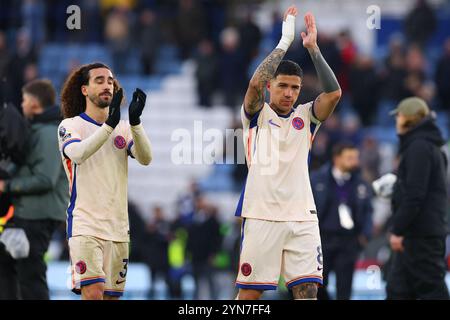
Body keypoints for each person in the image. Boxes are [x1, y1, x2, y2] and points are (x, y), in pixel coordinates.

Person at [234, 6, 341, 300]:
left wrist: (314, 50)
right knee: (250, 296)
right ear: (271, 87)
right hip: (261, 215)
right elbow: (254, 84)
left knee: (308, 292)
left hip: (303, 216)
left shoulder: (307, 117)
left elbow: (333, 94)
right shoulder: (256, 114)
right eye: (282, 86)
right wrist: (283, 43)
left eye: (295, 88)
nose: (289, 93)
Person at [58, 62, 152, 300]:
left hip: (118, 229)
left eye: (110, 81)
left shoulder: (123, 128)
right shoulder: (70, 126)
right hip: (85, 225)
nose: (107, 85)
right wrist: (109, 126)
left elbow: (146, 158)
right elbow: (78, 153)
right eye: (99, 80)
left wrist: (136, 123)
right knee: (93, 293)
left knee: (110, 297)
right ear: (84, 90)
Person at [0, 79, 68, 299]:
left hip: (37, 216)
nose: (21, 104)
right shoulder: (37, 129)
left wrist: (8, 185)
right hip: (25, 214)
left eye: (24, 99)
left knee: (31, 275)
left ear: (34, 103)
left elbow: (45, 179)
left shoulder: (49, 134)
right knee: (6, 264)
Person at [386, 97, 449, 300]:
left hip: (419, 236)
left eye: (398, 116)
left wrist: (397, 229)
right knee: (398, 290)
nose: (396, 120)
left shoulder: (418, 147)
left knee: (431, 290)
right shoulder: (429, 146)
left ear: (407, 118)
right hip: (420, 232)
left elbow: (415, 195)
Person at [311, 142, 373, 300]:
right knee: (317, 284)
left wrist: (365, 234)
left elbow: (367, 210)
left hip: (349, 241)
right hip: (323, 239)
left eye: (356, 157)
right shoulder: (317, 179)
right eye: (350, 157)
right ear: (337, 158)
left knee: (345, 288)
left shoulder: (361, 183)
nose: (355, 161)